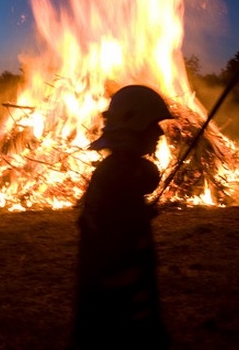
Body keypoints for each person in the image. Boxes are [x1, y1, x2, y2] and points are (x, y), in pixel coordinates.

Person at [71, 85, 172, 350]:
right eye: (154, 125)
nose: (160, 132)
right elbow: (115, 254)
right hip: (118, 315)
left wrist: (138, 214)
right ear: (135, 124)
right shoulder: (119, 175)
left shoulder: (118, 170)